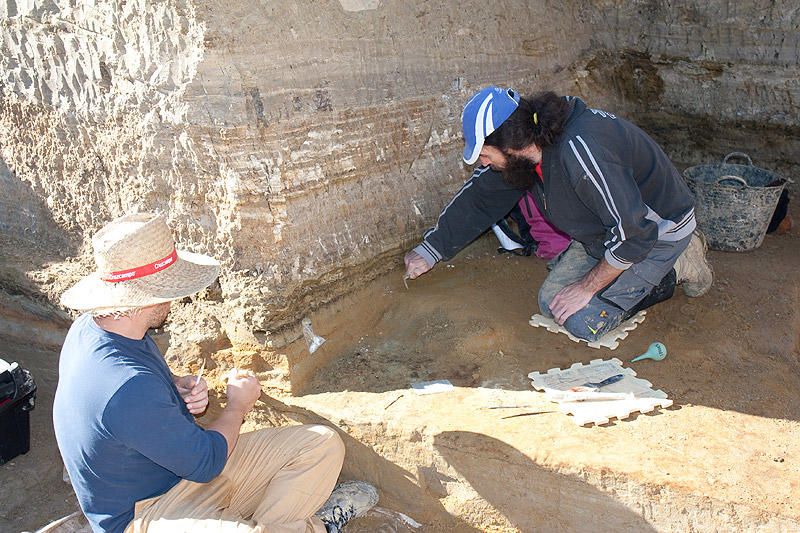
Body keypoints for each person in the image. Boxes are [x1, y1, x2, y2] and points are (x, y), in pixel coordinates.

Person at [53, 213, 378, 533]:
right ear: (146, 298)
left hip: (177, 475)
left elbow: (136, 396)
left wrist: (174, 386)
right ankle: (309, 527)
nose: (176, 298)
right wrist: (238, 405)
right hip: (144, 513)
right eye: (170, 288)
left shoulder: (95, 329)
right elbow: (206, 462)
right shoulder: (129, 388)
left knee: (320, 445)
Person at [405, 86, 713, 341]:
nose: (482, 163)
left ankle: (682, 262)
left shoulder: (583, 151)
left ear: (512, 144)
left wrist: (586, 287)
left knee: (583, 321)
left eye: (484, 154)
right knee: (551, 302)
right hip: (604, 232)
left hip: (654, 233)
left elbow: (633, 234)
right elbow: (481, 197)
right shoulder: (526, 152)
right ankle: (621, 272)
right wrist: (431, 250)